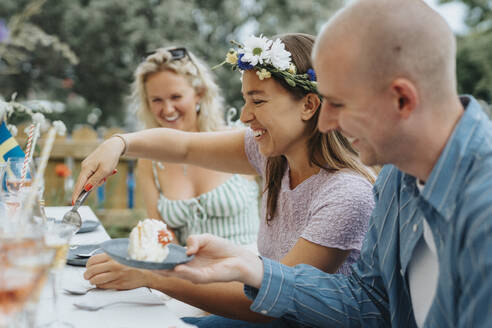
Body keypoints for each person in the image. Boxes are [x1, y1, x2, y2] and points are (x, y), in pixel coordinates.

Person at [153, 0, 492, 327]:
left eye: (338, 103)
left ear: (402, 99)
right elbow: (369, 304)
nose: (325, 122)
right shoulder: (395, 179)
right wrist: (253, 269)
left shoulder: (483, 211)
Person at [74, 33, 376, 326]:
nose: (245, 116)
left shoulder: (345, 194)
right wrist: (119, 143)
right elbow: (185, 146)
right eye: (245, 101)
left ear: (309, 105)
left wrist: (151, 275)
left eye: (257, 101)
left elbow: (271, 303)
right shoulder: (273, 158)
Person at [132, 47, 259, 247]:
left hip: (248, 271)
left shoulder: (238, 138)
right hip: (187, 272)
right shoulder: (150, 160)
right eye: (156, 100)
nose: (167, 109)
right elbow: (162, 235)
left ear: (199, 93)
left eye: (176, 97)